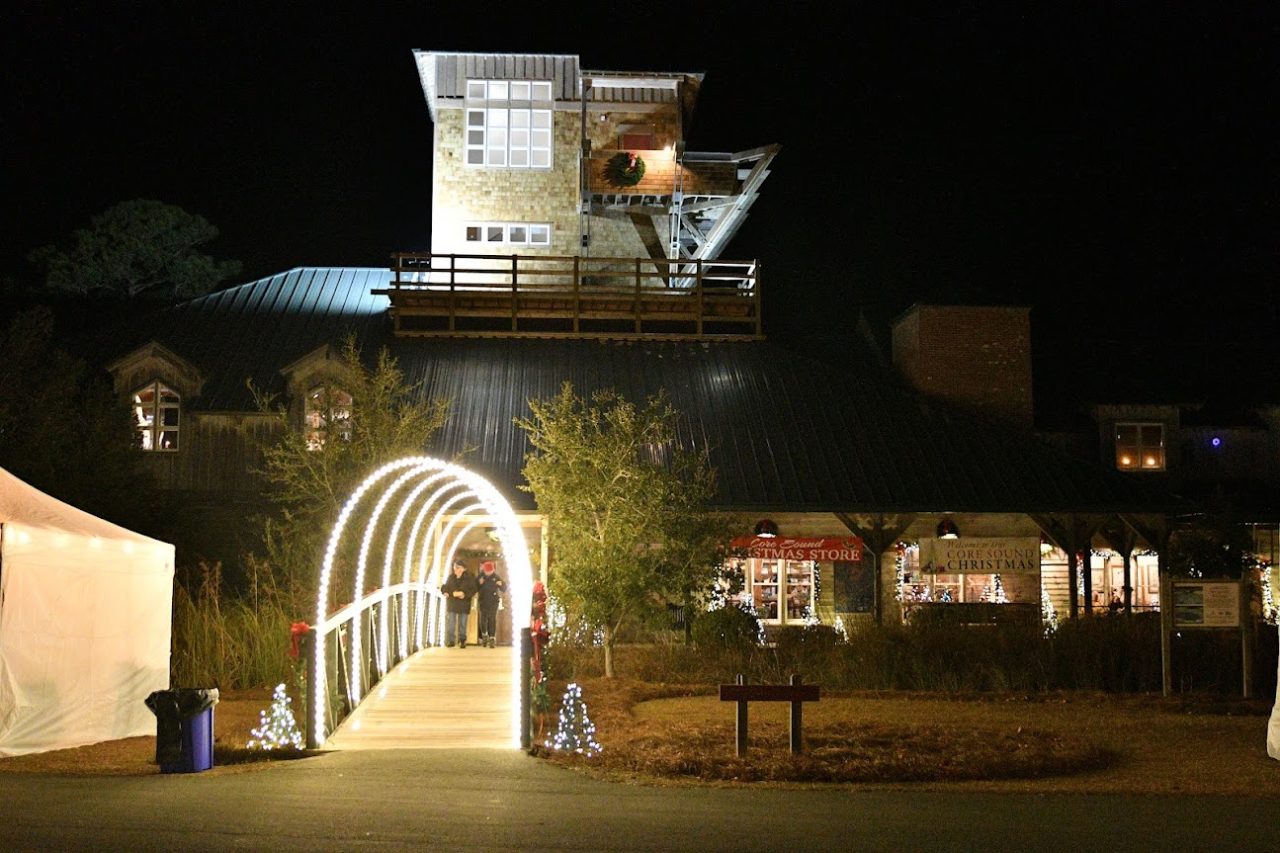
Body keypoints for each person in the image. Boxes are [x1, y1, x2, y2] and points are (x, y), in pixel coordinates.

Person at [441, 561, 477, 648]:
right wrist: (445, 592)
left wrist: (465, 594)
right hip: (452, 603)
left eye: (458, 567)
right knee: (451, 623)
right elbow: (445, 587)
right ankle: (451, 640)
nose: (456, 569)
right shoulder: (451, 577)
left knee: (462, 623)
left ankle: (462, 640)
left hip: (464, 603)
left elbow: (473, 589)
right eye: (455, 567)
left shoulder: (469, 578)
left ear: (463, 569)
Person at [475, 560, 507, 648]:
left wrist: (501, 584)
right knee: (483, 619)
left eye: (490, 571)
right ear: (484, 570)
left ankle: (492, 638)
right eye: (487, 571)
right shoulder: (480, 577)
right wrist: (479, 583)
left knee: (492, 619)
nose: (489, 573)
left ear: (493, 570)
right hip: (483, 601)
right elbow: (475, 587)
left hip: (493, 601)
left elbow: (504, 588)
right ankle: (484, 635)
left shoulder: (496, 577)